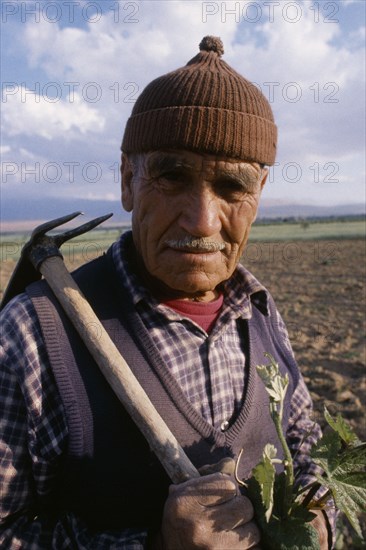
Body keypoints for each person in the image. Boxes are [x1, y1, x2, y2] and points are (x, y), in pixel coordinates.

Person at [1, 36, 334, 549]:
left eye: (231, 187)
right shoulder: (33, 335)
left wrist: (319, 522)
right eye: (172, 176)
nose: (201, 220)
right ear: (128, 179)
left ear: (260, 193)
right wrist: (151, 545)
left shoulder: (261, 312)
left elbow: (304, 442)